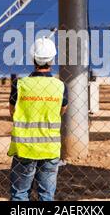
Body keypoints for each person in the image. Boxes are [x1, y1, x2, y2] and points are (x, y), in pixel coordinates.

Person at [8, 37, 68, 201]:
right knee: (46, 195)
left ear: (32, 58)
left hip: (24, 147)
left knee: (20, 194)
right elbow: (62, 110)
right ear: (52, 59)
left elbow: (13, 111)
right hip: (50, 147)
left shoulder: (20, 84)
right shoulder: (60, 86)